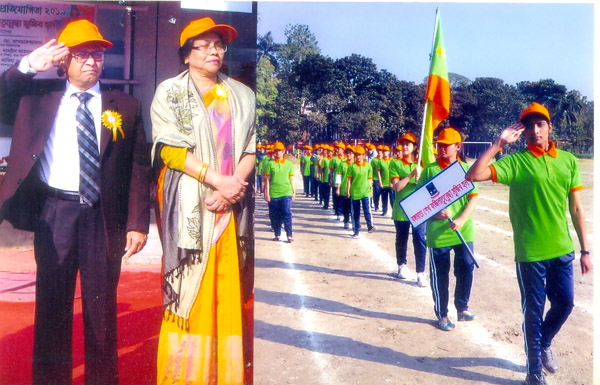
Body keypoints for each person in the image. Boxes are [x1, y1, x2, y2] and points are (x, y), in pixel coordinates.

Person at [0, 20, 152, 384]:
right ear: (64, 60)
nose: (91, 61)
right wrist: (24, 67)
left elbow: (138, 167)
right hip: (56, 214)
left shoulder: (125, 106)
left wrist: (137, 222)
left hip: (104, 218)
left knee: (101, 312)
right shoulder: (36, 98)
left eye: (97, 54)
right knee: (52, 307)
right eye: (82, 54)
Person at [151, 17, 255, 385]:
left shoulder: (242, 95)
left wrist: (233, 185)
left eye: (219, 45)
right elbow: (169, 150)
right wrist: (218, 182)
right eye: (205, 45)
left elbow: (250, 149)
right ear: (186, 56)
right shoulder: (170, 92)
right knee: (191, 298)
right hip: (193, 206)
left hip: (231, 207)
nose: (214, 51)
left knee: (227, 293)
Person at [465, 102, 592, 385]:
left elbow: (577, 209)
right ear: (522, 132)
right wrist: (499, 142)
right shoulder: (515, 163)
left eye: (540, 124)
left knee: (566, 304)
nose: (535, 130)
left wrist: (585, 250)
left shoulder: (568, 161)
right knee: (533, 312)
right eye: (529, 126)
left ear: (549, 127)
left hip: (562, 250)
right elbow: (473, 175)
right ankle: (534, 372)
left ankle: (545, 342)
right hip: (530, 253)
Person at [417, 127, 478, 332]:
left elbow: (473, 199)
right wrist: (435, 214)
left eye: (446, 145)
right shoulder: (430, 170)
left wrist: (461, 219)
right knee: (440, 275)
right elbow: (419, 203)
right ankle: (442, 314)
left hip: (463, 231)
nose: (441, 148)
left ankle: (462, 308)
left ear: (458, 147)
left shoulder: (466, 170)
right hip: (438, 234)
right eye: (439, 145)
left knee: (467, 267)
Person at [390, 133, 428, 287]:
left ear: (414, 147)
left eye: (408, 144)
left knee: (419, 239)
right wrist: (411, 175)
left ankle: (420, 272)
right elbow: (397, 187)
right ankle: (402, 265)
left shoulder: (422, 165)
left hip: (419, 208)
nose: (405, 146)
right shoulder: (395, 164)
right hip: (401, 209)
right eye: (403, 144)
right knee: (402, 238)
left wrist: (420, 178)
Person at [264, 141, 295, 243]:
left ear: (283, 151)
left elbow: (291, 180)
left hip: (286, 192)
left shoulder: (289, 164)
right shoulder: (270, 164)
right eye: (276, 151)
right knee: (275, 215)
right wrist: (266, 193)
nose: (278, 153)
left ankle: (289, 235)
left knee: (286, 212)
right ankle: (277, 234)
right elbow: (267, 180)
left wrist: (293, 192)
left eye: (280, 151)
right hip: (274, 193)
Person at [346, 145, 376, 238]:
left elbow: (370, 179)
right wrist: (348, 191)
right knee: (355, 212)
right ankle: (356, 230)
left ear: (363, 155)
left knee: (367, 209)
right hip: (355, 192)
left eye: (360, 155)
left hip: (365, 191)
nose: (358, 157)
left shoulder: (368, 166)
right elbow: (349, 180)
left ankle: (370, 226)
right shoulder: (352, 166)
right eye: (357, 155)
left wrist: (371, 190)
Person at [335, 144, 355, 230]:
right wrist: (338, 188)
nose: (349, 155)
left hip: (354, 189)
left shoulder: (355, 164)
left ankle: (355, 222)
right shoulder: (342, 164)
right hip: (344, 188)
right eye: (348, 153)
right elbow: (339, 176)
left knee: (354, 207)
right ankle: (346, 221)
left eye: (351, 153)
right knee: (346, 206)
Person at [377, 144, 392, 216]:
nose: (385, 153)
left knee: (392, 199)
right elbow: (378, 172)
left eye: (386, 151)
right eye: (384, 151)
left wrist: (392, 182)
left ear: (389, 152)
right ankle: (384, 211)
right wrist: (380, 182)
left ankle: (394, 212)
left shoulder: (392, 161)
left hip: (391, 183)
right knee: (384, 198)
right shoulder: (380, 161)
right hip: (384, 183)